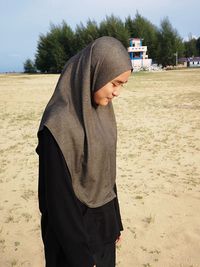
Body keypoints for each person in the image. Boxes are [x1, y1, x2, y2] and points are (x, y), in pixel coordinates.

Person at [35, 36, 132, 267]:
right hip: (73, 243)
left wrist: (114, 221)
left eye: (122, 85)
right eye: (114, 83)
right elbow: (59, 203)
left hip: (103, 231)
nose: (117, 92)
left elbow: (107, 174)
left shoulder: (101, 113)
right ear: (95, 72)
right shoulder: (57, 126)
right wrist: (82, 258)